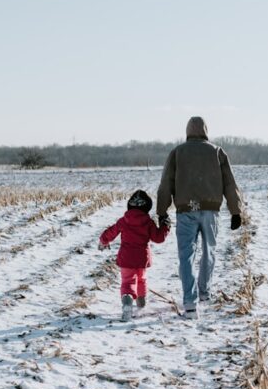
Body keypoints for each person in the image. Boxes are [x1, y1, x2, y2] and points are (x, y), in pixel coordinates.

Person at [157, 116, 244, 318]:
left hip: (186, 210)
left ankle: (189, 302)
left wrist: (162, 212)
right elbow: (229, 183)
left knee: (186, 255)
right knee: (208, 251)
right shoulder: (217, 152)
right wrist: (235, 211)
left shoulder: (177, 152)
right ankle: (204, 292)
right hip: (210, 210)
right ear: (206, 130)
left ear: (187, 131)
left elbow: (166, 184)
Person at [99, 189, 169, 321]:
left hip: (126, 258)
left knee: (127, 281)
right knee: (141, 279)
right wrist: (165, 226)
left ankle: (127, 303)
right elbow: (158, 238)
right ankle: (141, 301)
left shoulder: (123, 221)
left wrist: (103, 240)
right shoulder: (148, 222)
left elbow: (111, 232)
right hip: (142, 258)